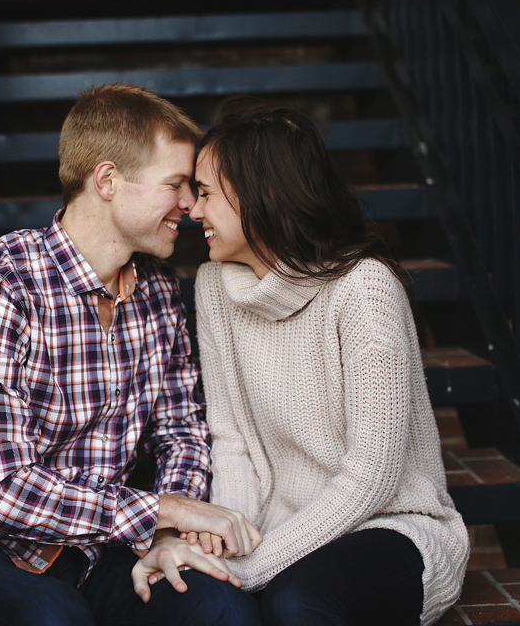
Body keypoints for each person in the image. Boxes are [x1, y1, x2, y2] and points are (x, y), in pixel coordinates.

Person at [0, 84, 263, 626]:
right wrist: (164, 510)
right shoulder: (2, 288)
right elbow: (6, 494)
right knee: (53, 616)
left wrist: (166, 537)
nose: (191, 205)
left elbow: (182, 433)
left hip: (99, 552)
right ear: (107, 181)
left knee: (222, 608)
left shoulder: (158, 292)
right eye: (176, 185)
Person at [139, 100, 469, 625]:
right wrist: (229, 532)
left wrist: (245, 568)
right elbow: (232, 442)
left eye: (204, 194)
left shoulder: (364, 289)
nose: (193, 211)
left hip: (388, 524)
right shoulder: (214, 287)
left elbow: (372, 479)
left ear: (261, 193)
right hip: (276, 527)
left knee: (294, 603)